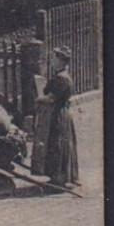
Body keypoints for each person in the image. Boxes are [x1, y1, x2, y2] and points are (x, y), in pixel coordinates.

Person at [35, 46, 81, 188]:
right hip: (59, 113)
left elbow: (50, 98)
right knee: (59, 144)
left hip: (59, 115)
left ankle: (59, 178)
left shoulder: (62, 79)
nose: (53, 61)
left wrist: (39, 100)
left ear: (62, 61)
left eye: (55, 58)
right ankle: (61, 176)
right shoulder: (59, 76)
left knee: (58, 144)